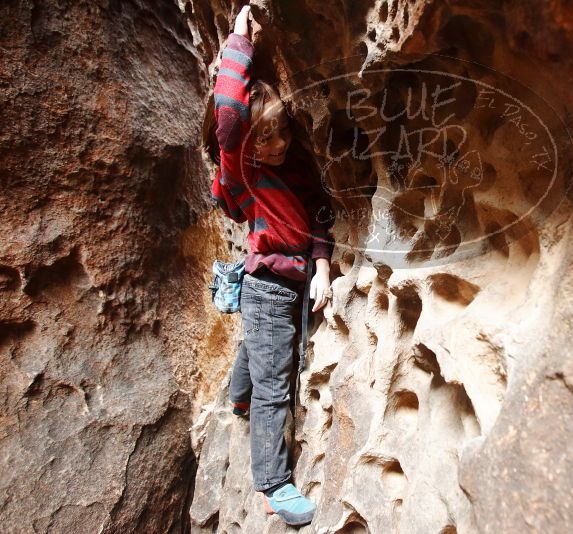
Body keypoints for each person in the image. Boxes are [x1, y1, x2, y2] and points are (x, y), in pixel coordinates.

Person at [201, 4, 333, 527]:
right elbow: (230, 116)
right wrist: (238, 39)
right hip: (270, 289)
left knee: (257, 350)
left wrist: (322, 266)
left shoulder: (293, 174)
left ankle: (237, 398)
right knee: (275, 386)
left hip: (287, 283)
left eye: (280, 134)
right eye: (264, 138)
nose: (274, 145)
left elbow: (320, 217)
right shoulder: (247, 170)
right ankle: (274, 485)